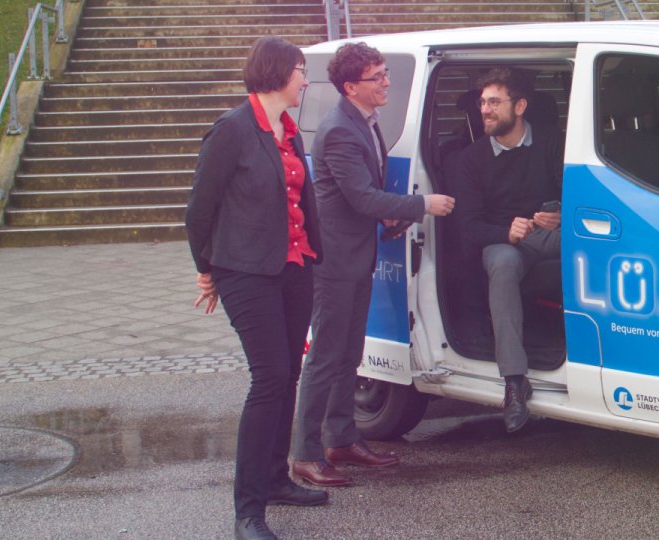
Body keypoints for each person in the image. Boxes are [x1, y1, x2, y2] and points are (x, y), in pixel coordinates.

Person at [289, 42, 455, 488]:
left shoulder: (365, 121)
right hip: (335, 261)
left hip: (356, 254)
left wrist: (391, 214)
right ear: (350, 87)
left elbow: (361, 191)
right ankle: (304, 454)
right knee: (325, 358)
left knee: (349, 354)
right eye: (377, 77)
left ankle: (341, 439)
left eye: (385, 73)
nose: (386, 83)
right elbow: (361, 197)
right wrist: (422, 203)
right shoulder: (339, 130)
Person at [185, 36, 325, 540]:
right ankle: (248, 511)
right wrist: (208, 269)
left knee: (288, 373)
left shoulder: (288, 130)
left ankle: (275, 480)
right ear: (278, 72)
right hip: (246, 272)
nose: (306, 80)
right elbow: (199, 211)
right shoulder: (232, 130)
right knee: (268, 379)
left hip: (294, 265)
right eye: (301, 71)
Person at [453, 67, 564, 433]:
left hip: (551, 233)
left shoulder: (553, 142)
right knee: (501, 265)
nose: (485, 109)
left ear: (520, 106)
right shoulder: (470, 160)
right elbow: (467, 228)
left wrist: (561, 214)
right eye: (483, 102)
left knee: (594, 242)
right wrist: (507, 232)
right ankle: (514, 382)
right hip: (503, 242)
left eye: (494, 102)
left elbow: (582, 196)